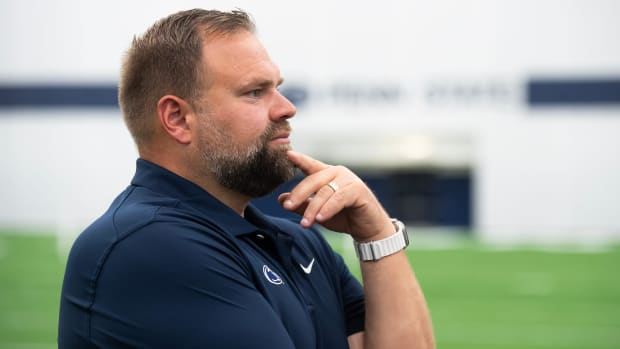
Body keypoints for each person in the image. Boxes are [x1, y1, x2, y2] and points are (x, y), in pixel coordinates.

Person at [58, 8, 434, 349]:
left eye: (278, 87)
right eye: (254, 92)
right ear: (177, 118)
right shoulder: (146, 245)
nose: (287, 108)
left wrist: (377, 236)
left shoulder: (298, 242)